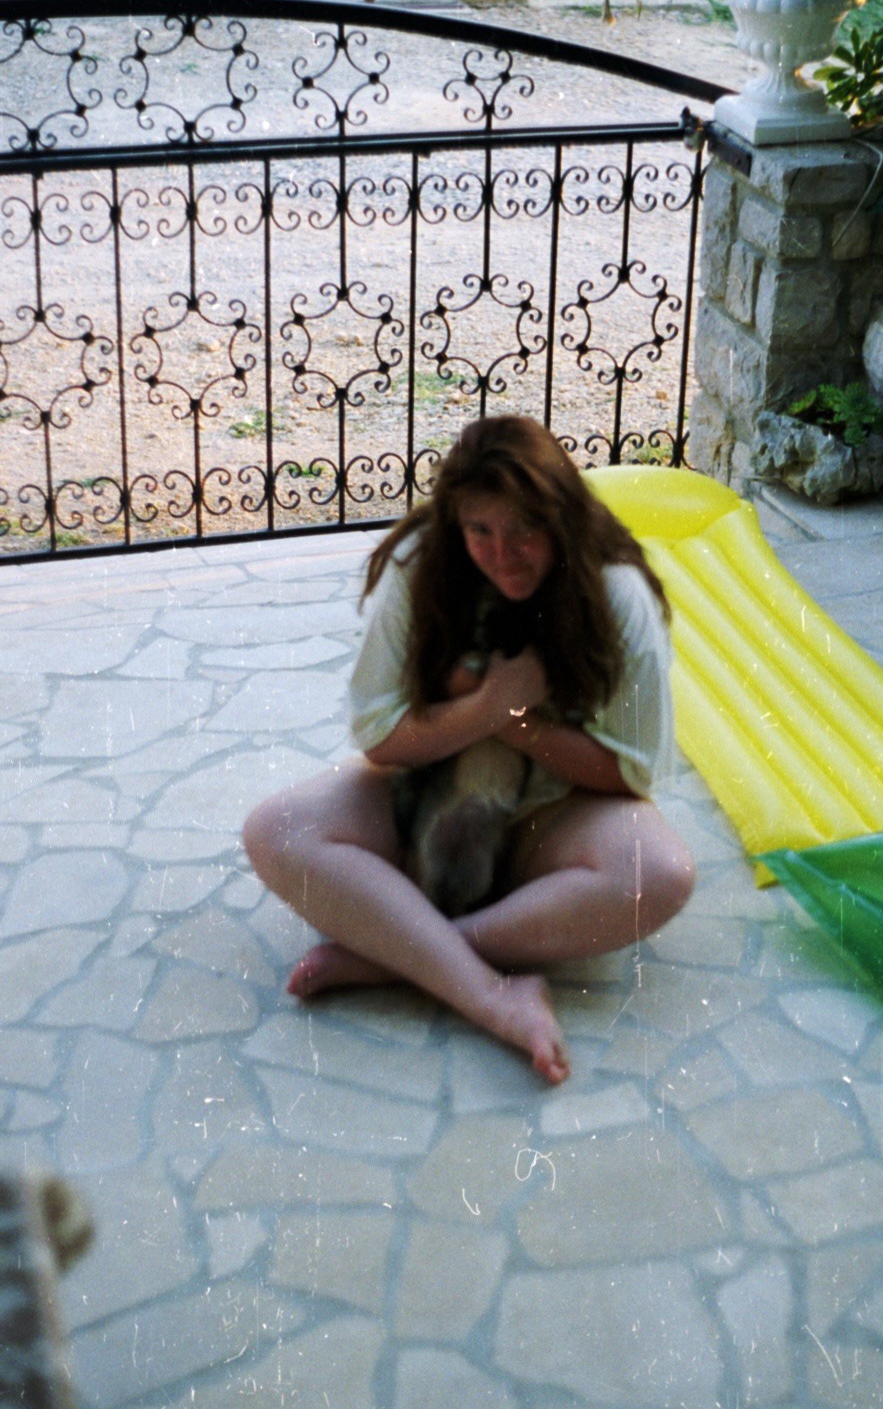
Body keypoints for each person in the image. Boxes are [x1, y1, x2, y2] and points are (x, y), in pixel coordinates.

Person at [243, 416, 695, 1084]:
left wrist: (516, 722)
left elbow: (630, 774)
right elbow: (379, 736)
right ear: (454, 522)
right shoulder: (422, 563)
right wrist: (486, 707)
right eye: (480, 531)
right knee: (273, 830)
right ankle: (493, 994)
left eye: (523, 532)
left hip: (551, 819)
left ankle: (402, 952)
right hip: (430, 799)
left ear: (561, 521)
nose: (501, 552)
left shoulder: (614, 590)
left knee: (660, 873)